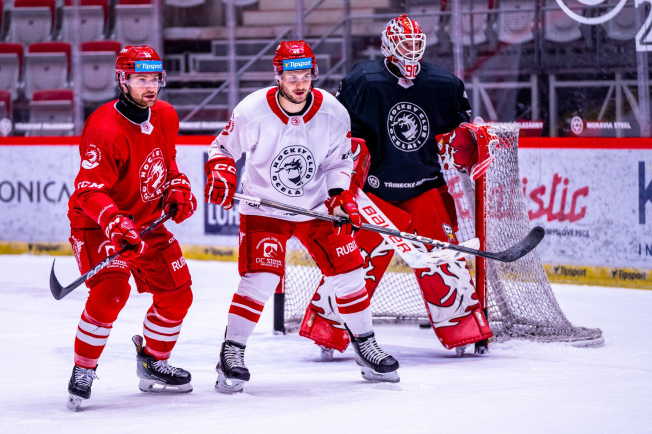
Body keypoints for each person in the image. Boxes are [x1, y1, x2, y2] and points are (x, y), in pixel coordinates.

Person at [204, 40, 400, 394]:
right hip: (263, 207)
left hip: (316, 210)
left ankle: (365, 345)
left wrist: (340, 196)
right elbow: (221, 148)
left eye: (306, 75)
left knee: (351, 273)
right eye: (292, 75)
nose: (300, 83)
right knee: (260, 280)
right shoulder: (252, 111)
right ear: (277, 76)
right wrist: (221, 172)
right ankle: (231, 352)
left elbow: (339, 162)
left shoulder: (334, 112)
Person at [300, 14, 495, 358]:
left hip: (424, 189)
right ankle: (327, 332)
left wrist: (469, 141)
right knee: (353, 262)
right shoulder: (363, 80)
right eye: (404, 44)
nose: (411, 51)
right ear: (389, 47)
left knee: (443, 261)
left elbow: (459, 132)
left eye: (415, 44)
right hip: (375, 193)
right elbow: (338, 131)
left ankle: (466, 331)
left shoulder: (443, 83)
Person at [64, 45, 197, 410]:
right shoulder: (105, 129)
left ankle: (153, 362)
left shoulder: (166, 115)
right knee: (111, 292)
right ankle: (84, 368)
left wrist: (178, 186)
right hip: (98, 225)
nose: (150, 86)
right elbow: (88, 192)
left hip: (145, 224)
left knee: (177, 295)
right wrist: (115, 222)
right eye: (141, 79)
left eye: (154, 78)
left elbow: (166, 163)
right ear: (123, 80)